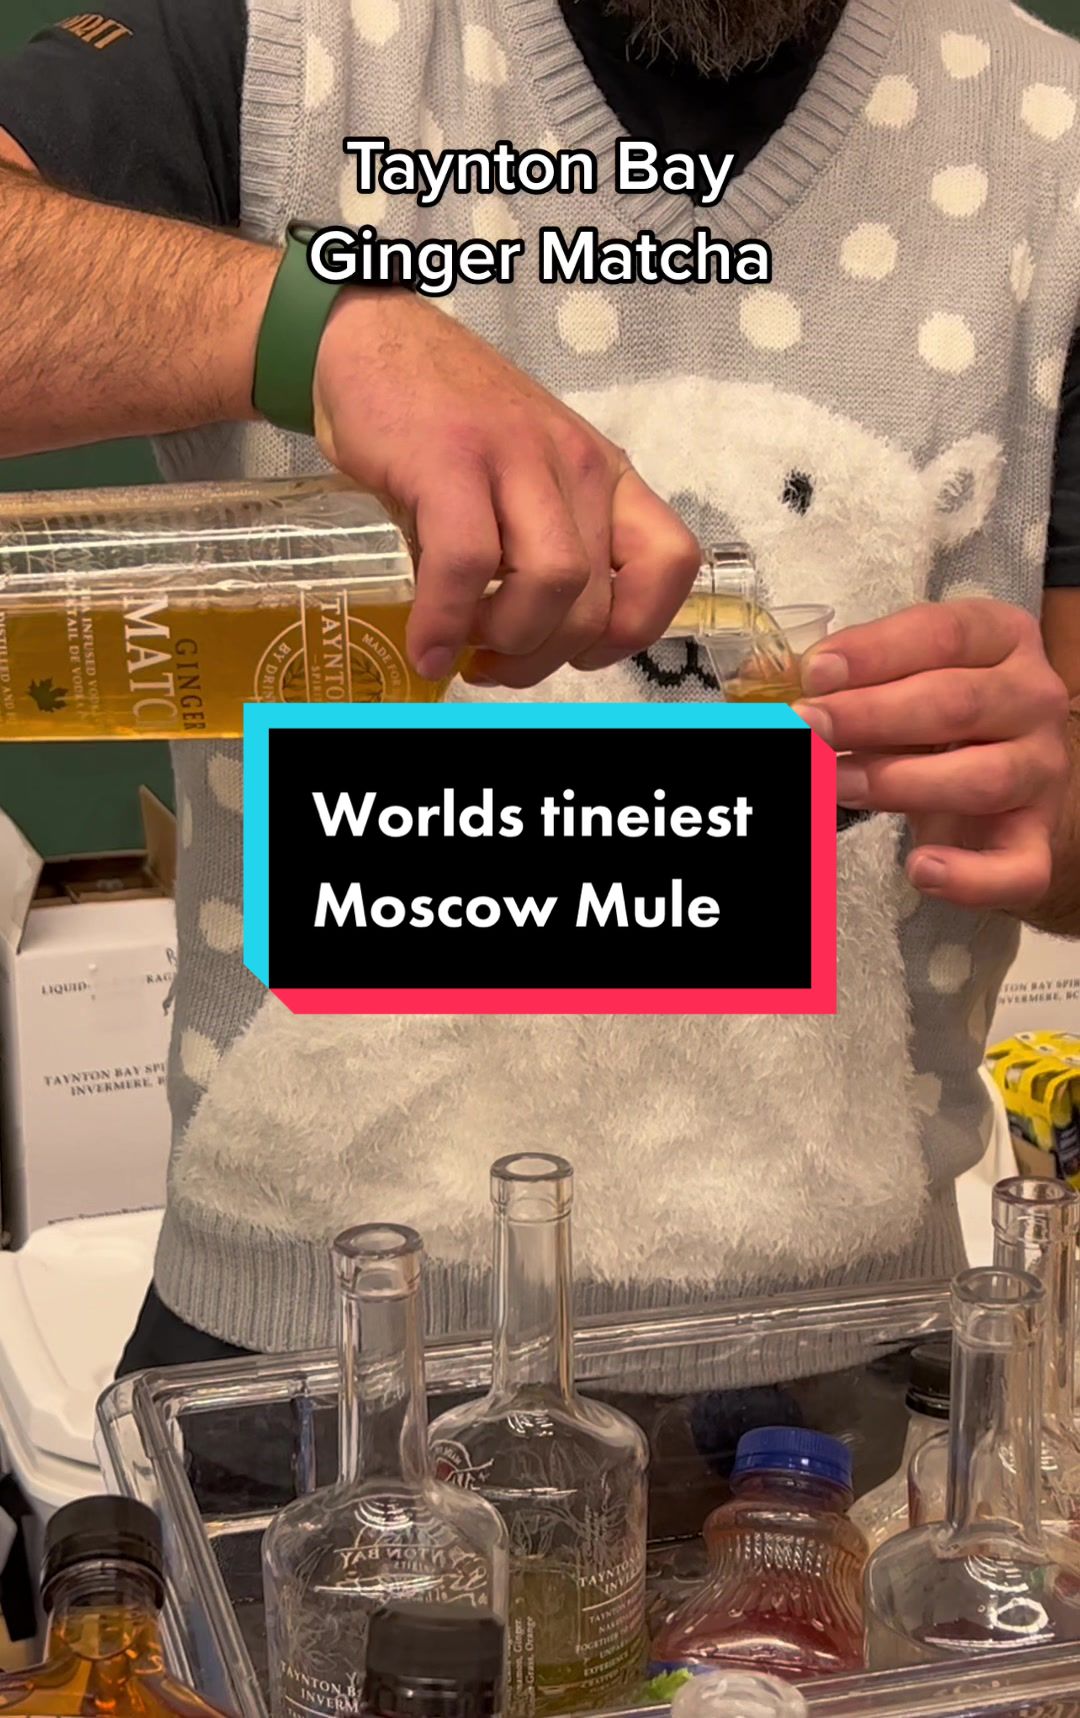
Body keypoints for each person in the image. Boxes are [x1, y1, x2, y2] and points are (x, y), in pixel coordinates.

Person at [0, 0, 1076, 1381]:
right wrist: (313, 332)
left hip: (842, 1365)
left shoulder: (1054, 143)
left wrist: (1042, 801)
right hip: (310, 1346)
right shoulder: (273, 44)